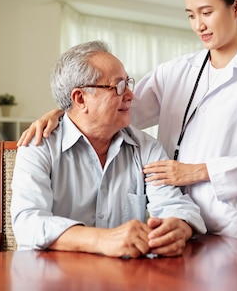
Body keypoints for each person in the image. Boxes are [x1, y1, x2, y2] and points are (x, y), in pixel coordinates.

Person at [18, 0, 237, 240]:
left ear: (236, 8)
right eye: (191, 15)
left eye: (207, 12)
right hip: (168, 225)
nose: (199, 25)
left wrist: (196, 172)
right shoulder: (176, 71)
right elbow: (115, 109)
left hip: (226, 229)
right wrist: (63, 113)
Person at [11, 41, 206, 257]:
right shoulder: (39, 146)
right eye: (118, 86)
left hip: (127, 280)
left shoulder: (146, 148)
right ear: (80, 98)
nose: (131, 95)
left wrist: (178, 227)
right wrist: (101, 240)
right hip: (55, 280)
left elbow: (175, 205)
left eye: (128, 83)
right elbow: (28, 223)